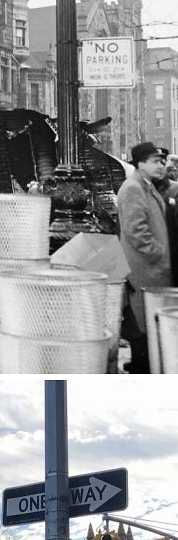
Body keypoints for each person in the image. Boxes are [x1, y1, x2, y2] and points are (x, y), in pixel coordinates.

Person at [117, 141, 172, 373]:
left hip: (152, 270)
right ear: (140, 164)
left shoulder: (146, 186)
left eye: (162, 162)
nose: (161, 166)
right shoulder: (133, 188)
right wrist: (157, 254)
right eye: (155, 162)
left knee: (148, 327)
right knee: (142, 329)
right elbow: (136, 231)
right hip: (144, 271)